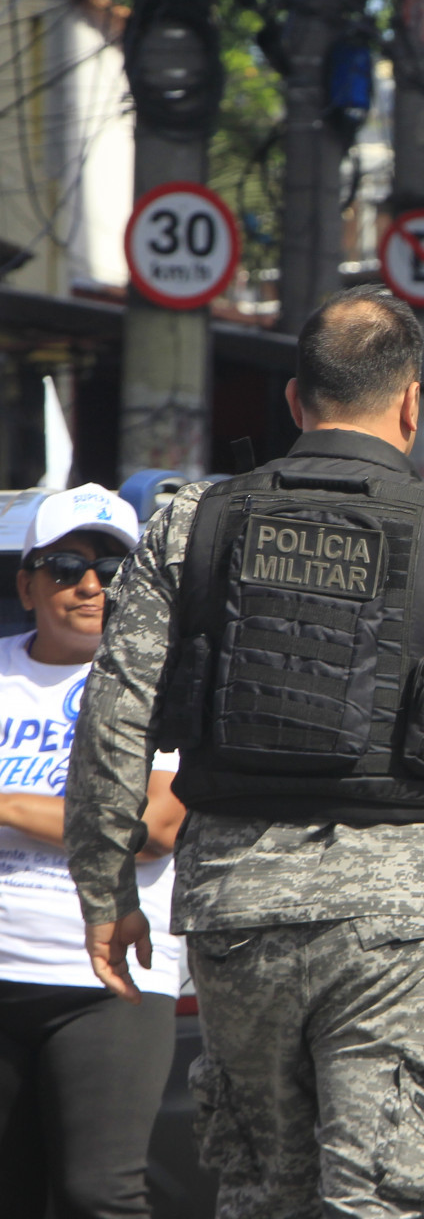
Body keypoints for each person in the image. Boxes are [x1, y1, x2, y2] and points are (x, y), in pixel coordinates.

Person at [64, 287, 424, 1217]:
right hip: (405, 917)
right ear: (411, 401)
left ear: (294, 400)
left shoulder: (192, 526)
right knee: (386, 1194)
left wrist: (103, 887)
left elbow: (114, 708)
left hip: (239, 911)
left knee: (267, 1189)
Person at [0, 487, 185, 1217]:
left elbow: (157, 829)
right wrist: (88, 818)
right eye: (65, 566)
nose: (89, 585)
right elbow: (122, 820)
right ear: (26, 582)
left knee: (97, 1194)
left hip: (108, 981)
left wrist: (8, 805)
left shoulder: (164, 685)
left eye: (111, 569)